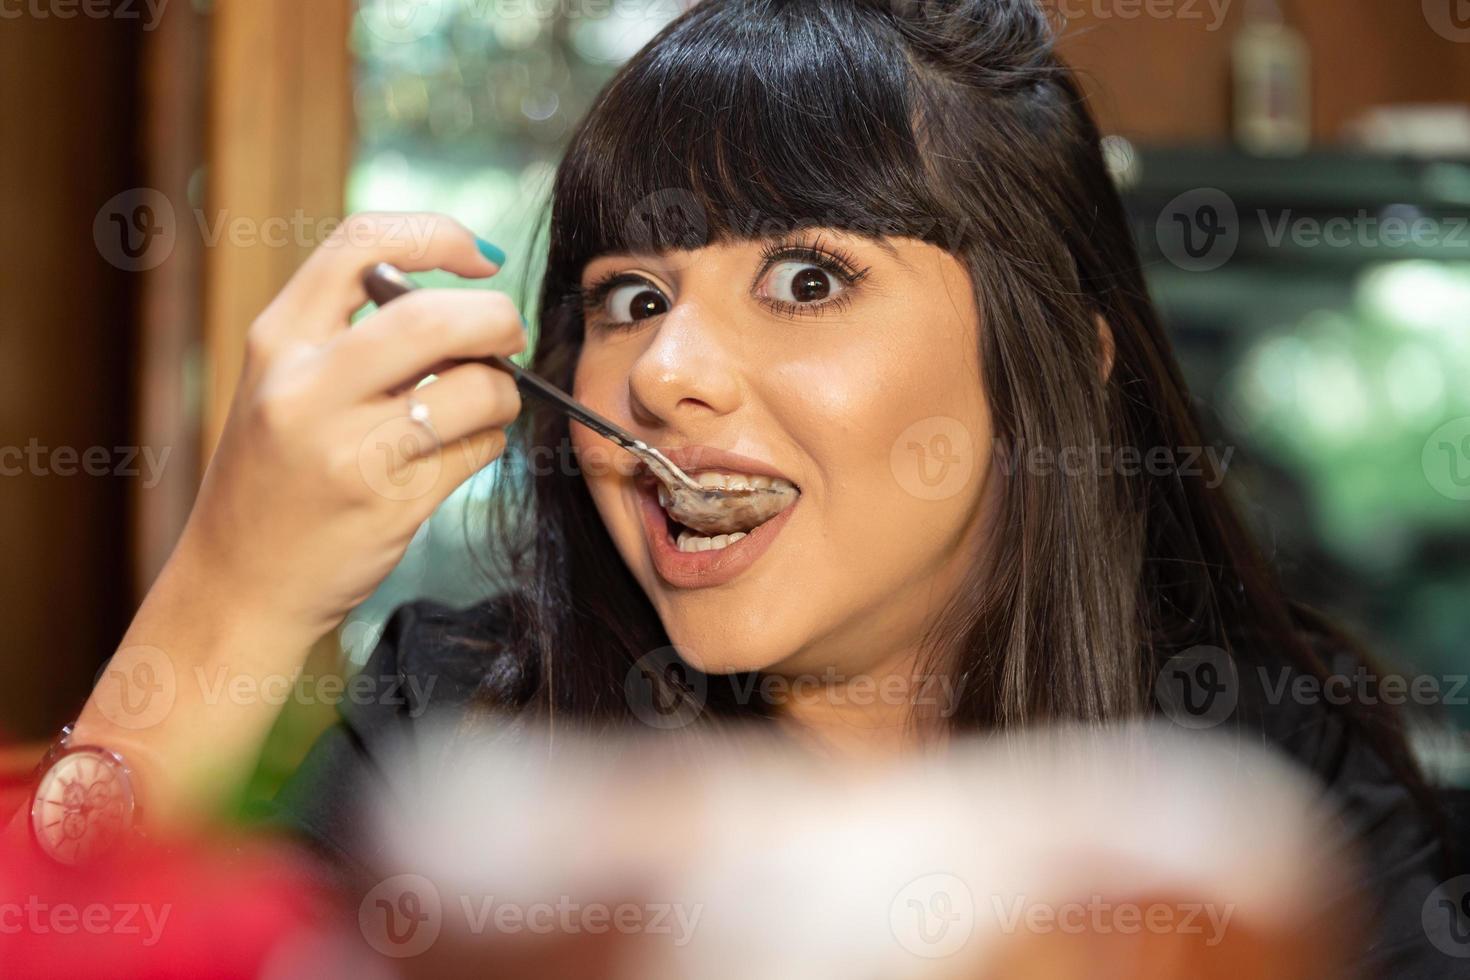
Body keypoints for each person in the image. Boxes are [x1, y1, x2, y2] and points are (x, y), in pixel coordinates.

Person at [12, 1, 1463, 974]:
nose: (666, 375)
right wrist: (229, 594)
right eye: (629, 297)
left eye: (808, 276)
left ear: (1061, 363)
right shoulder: (455, 735)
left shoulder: (1282, 787)